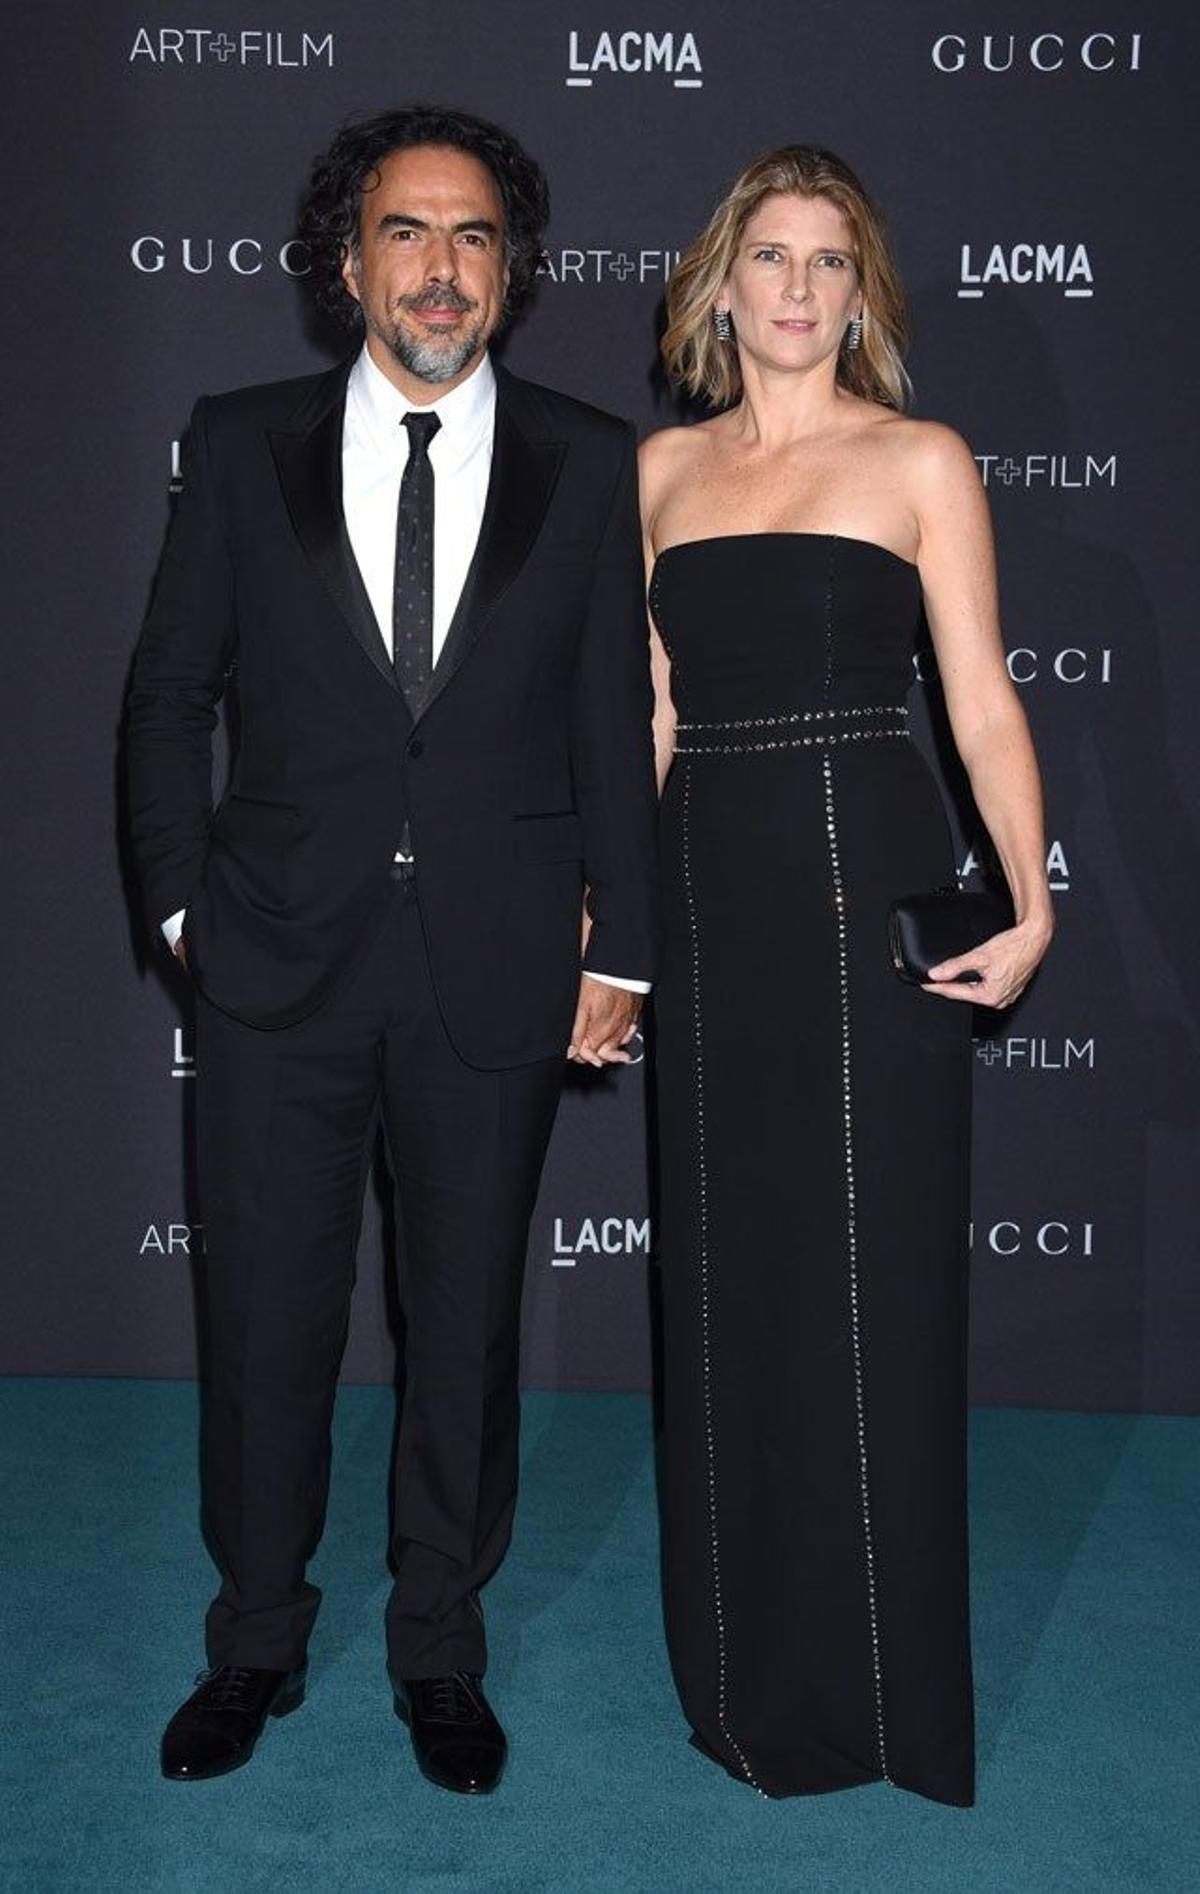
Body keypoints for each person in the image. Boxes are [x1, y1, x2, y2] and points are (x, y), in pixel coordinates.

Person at [127, 104, 658, 1794]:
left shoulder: (587, 460)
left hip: (494, 968)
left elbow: (608, 726)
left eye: (477, 236)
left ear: (514, 271)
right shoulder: (239, 439)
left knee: (468, 1331)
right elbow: (164, 699)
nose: (443, 267)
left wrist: (623, 951)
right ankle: (257, 1636)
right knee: (268, 1324)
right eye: (410, 233)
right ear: (349, 260)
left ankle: (440, 1641)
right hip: (278, 961)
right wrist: (186, 907)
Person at [640, 146, 1052, 1804]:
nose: (799, 288)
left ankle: (888, 1702)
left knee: (873, 1295)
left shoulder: (922, 459)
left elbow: (985, 702)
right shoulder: (658, 473)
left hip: (872, 892)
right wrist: (612, 936)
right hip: (708, 902)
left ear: (859, 294)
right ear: (720, 285)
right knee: (735, 1297)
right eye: (772, 257)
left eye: (830, 261)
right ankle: (747, 1685)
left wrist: (1030, 899)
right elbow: (652, 724)